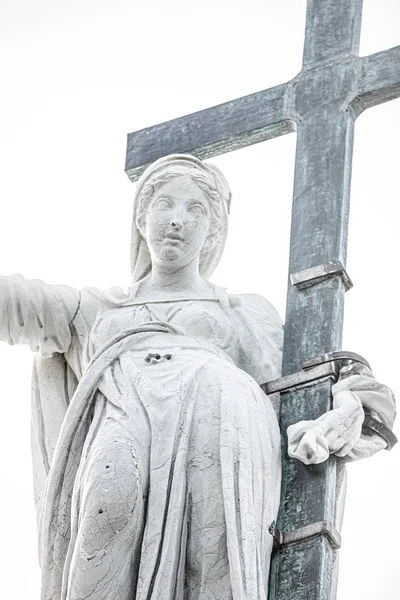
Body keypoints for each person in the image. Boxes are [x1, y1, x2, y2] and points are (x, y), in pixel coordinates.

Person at [0, 154, 395, 600]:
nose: (176, 221)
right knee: (105, 512)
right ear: (141, 219)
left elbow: (312, 384)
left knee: (212, 556)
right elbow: (15, 302)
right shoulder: (95, 309)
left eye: (195, 210)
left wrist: (348, 402)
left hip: (220, 428)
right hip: (125, 416)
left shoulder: (242, 312)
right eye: (164, 205)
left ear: (213, 232)